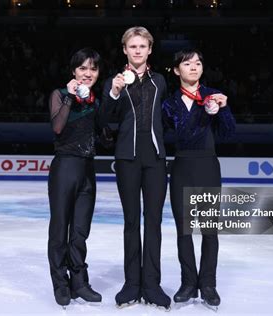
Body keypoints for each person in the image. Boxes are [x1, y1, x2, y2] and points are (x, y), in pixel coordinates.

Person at [99, 26, 170, 309]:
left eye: (142, 46)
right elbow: (103, 118)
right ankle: (131, 284)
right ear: (125, 50)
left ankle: (152, 285)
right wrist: (115, 92)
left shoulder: (160, 81)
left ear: (149, 50)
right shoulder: (114, 82)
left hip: (154, 159)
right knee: (131, 223)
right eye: (133, 46)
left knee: (153, 223)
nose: (138, 50)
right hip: (127, 158)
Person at [162, 49, 236, 308]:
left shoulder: (213, 96)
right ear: (175, 70)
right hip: (182, 165)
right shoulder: (169, 103)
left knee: (209, 230)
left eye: (198, 62)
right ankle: (188, 283)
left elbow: (229, 134)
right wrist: (204, 112)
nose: (194, 67)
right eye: (187, 63)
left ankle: (208, 284)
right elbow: (179, 133)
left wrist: (223, 111)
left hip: (207, 165)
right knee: (184, 230)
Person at [47, 48, 107, 307]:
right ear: (73, 71)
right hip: (64, 169)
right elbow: (58, 127)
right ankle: (60, 282)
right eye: (83, 68)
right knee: (60, 229)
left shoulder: (96, 101)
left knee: (80, 231)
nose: (88, 73)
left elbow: (103, 135)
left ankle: (79, 282)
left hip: (87, 171)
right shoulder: (59, 95)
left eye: (93, 69)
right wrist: (70, 97)